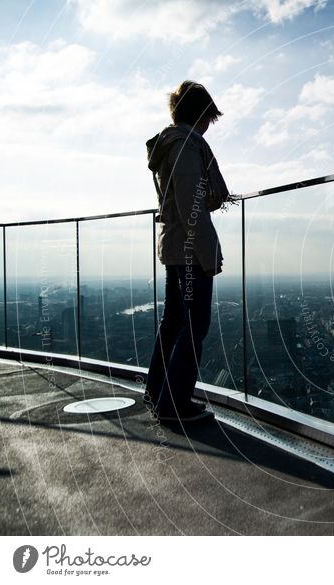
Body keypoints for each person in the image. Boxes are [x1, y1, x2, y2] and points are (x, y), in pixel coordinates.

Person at [143, 80, 232, 424]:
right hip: (189, 248)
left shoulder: (168, 144)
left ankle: (157, 394)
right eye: (209, 117)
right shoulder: (185, 146)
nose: (210, 125)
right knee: (195, 324)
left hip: (174, 244)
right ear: (200, 115)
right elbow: (191, 204)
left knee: (175, 322)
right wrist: (205, 250)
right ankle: (173, 405)